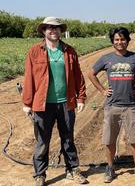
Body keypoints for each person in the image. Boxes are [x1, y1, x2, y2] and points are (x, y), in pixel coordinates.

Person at [22, 17, 88, 186]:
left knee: (68, 139)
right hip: (43, 104)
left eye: (57, 28)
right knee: (43, 140)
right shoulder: (34, 51)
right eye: (49, 28)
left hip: (66, 102)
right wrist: (27, 103)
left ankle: (73, 170)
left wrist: (80, 97)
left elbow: (78, 76)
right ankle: (40, 174)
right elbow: (29, 78)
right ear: (44, 31)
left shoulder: (69, 50)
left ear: (60, 31)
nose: (53, 31)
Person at [88, 27, 135, 183]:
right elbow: (91, 74)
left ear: (127, 41)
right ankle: (110, 168)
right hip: (112, 105)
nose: (120, 42)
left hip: (130, 104)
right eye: (116, 39)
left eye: (122, 39)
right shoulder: (106, 58)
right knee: (109, 139)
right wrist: (102, 90)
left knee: (134, 138)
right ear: (112, 41)